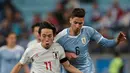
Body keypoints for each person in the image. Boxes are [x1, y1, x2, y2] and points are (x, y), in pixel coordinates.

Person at [54, 8, 126, 73]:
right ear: (70, 20)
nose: (77, 26)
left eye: (80, 23)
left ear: (83, 22)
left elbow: (105, 42)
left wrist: (117, 40)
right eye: (75, 22)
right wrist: (65, 53)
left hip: (87, 69)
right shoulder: (61, 36)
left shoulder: (89, 31)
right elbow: (50, 50)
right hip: (69, 69)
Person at [11, 21, 82, 73]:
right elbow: (20, 65)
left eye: (49, 36)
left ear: (54, 36)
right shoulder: (31, 49)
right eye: (44, 36)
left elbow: (68, 66)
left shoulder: (58, 48)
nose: (47, 39)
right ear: (39, 36)